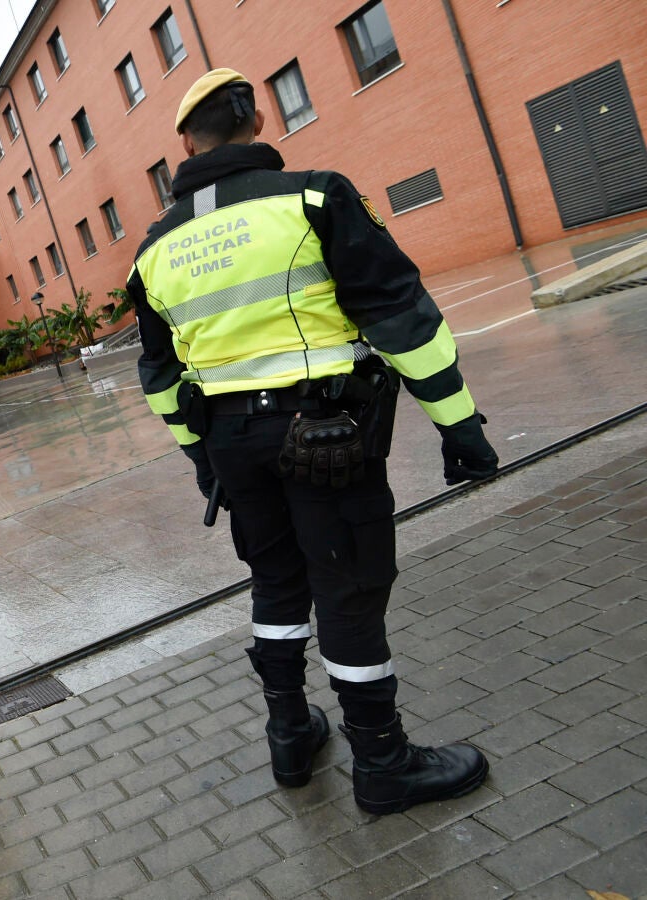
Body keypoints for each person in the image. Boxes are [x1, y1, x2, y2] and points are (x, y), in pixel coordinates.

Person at [125, 68, 500, 816]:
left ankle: (291, 736)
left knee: (276, 581)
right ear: (257, 121)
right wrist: (458, 426)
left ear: (186, 145)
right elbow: (400, 317)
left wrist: (202, 458)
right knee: (348, 590)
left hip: (232, 444)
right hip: (325, 436)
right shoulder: (314, 197)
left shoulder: (153, 249)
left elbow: (159, 375)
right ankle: (383, 764)